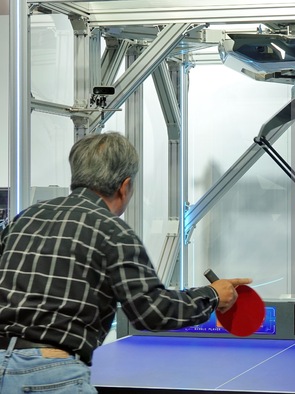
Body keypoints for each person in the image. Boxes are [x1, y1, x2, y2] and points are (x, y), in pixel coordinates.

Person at [0, 132, 251, 393]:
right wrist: (211, 294)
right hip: (51, 375)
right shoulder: (113, 232)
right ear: (125, 186)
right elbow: (151, 312)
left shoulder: (25, 218)